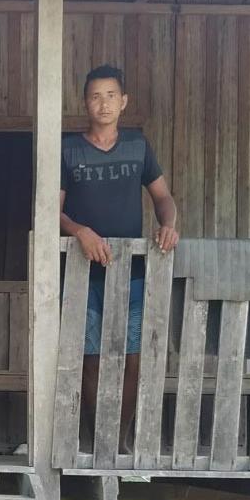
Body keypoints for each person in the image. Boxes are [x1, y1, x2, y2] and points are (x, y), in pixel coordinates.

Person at [59, 65, 179, 453]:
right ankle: (95, 441)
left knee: (131, 356)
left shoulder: (138, 146)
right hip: (84, 272)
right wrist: (80, 231)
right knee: (90, 358)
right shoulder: (67, 149)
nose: (103, 103)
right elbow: (49, 210)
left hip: (134, 272)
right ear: (84, 102)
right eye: (95, 96)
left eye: (111, 95)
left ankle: (121, 439)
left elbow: (163, 198)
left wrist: (168, 225)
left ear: (123, 101)